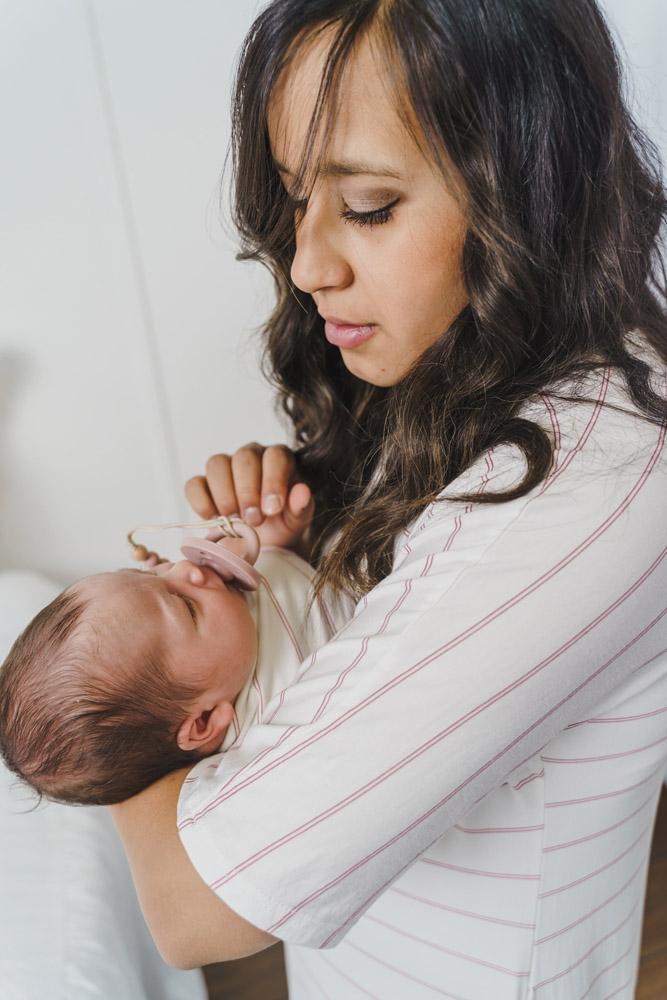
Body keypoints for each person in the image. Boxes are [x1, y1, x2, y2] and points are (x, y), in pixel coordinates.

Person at [108, 1, 667, 996]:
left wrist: (111, 693)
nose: (309, 263)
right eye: (294, 199)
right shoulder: (452, 375)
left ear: (530, 190)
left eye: (366, 204)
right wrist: (284, 550)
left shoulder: (599, 478)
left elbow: (192, 909)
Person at [0, 544, 354, 806]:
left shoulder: (226, 646)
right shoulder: (286, 713)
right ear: (203, 723)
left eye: (147, 574)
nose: (186, 569)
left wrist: (277, 537)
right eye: (186, 606)